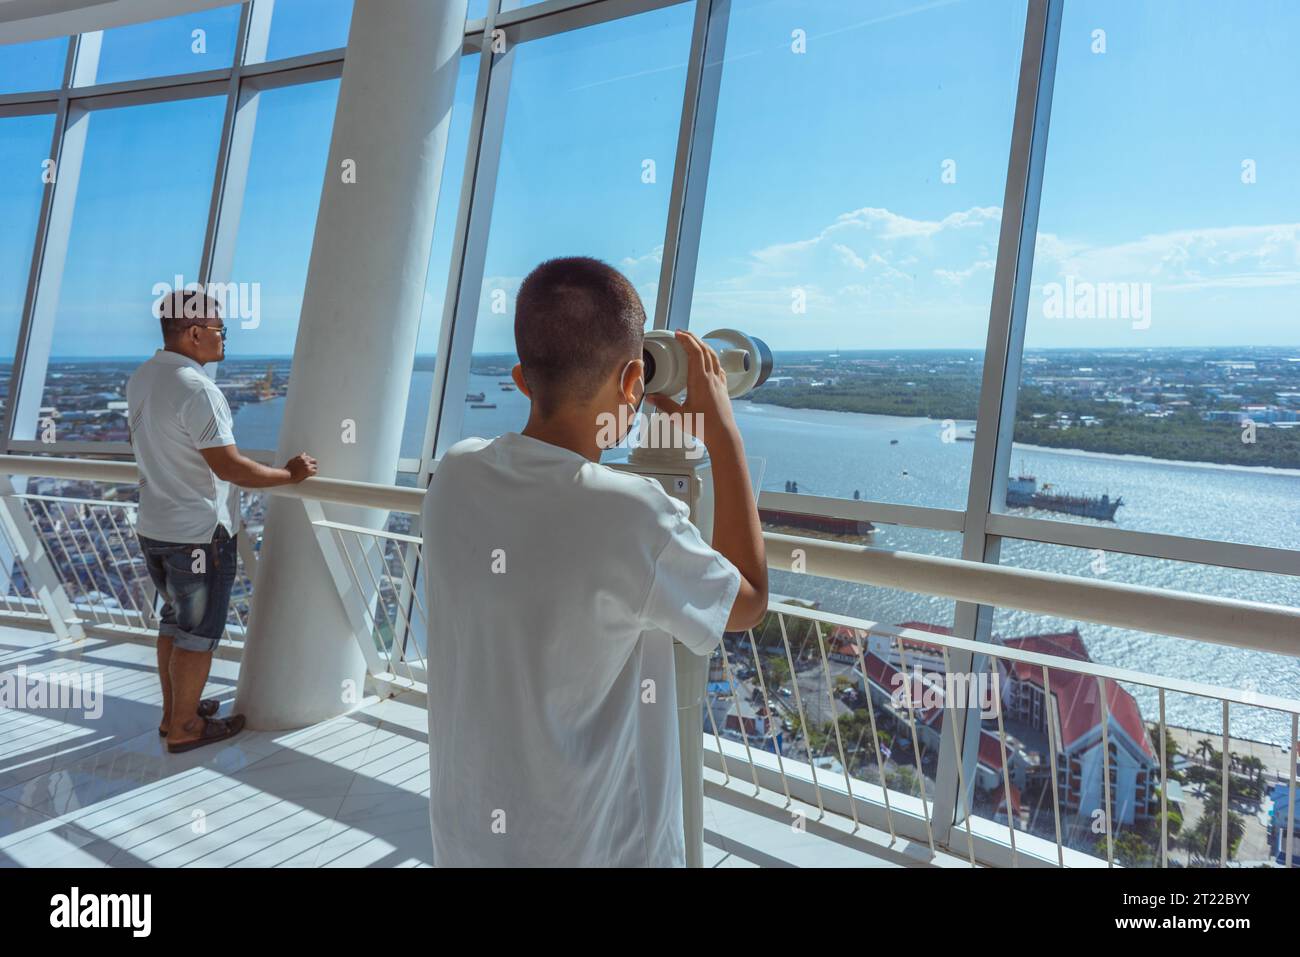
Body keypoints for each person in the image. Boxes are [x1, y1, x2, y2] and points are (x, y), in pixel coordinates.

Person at [420, 257, 768, 866]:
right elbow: (748, 603)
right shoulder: (632, 516)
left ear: (522, 378)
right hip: (592, 848)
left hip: (469, 836)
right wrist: (724, 437)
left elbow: (557, 521)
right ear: (634, 381)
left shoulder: (455, 472)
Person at [127, 290, 317, 753]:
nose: (224, 338)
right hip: (195, 535)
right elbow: (229, 467)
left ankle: (175, 713)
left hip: (156, 526)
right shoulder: (196, 388)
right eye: (219, 330)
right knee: (197, 636)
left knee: (173, 625)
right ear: (194, 333)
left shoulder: (141, 378)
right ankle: (186, 728)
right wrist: (289, 475)